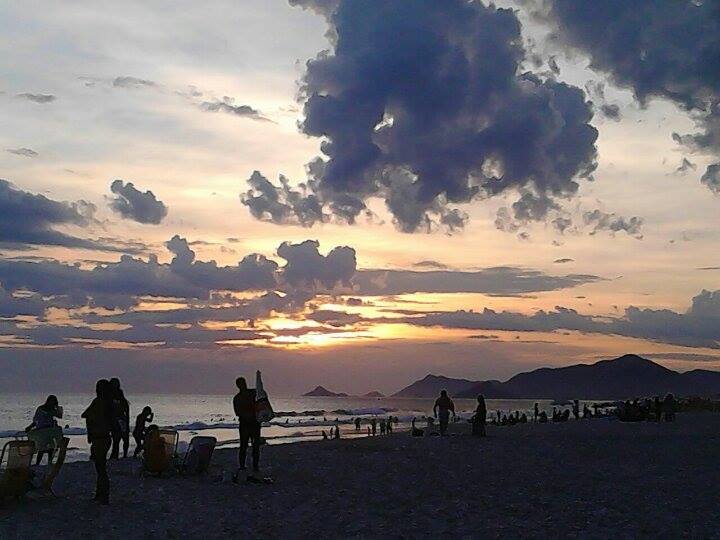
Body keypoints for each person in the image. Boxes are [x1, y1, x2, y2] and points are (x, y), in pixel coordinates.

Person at [82, 380, 114, 505]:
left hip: (100, 437)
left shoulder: (99, 402)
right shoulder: (109, 403)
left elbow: (85, 414)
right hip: (104, 437)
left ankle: (103, 495)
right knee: (101, 467)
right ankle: (101, 494)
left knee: (100, 468)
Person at [232, 376, 261, 482]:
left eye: (243, 383)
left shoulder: (253, 393)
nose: (243, 385)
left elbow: (261, 398)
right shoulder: (238, 398)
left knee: (255, 446)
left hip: (253, 423)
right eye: (241, 384)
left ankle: (255, 466)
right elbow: (238, 412)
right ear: (238, 386)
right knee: (244, 446)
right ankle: (243, 466)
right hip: (246, 424)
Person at [25, 395, 63, 465]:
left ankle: (49, 462)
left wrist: (57, 407)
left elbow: (60, 416)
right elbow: (36, 420)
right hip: (42, 430)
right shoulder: (41, 408)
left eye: (54, 401)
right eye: (51, 400)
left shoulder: (53, 410)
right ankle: (38, 463)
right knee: (42, 448)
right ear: (48, 400)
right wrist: (30, 427)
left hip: (50, 430)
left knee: (51, 447)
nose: (52, 402)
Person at [109, 378, 130, 459]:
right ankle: (117, 455)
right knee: (117, 440)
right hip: (117, 420)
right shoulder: (110, 397)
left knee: (120, 439)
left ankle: (123, 455)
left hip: (120, 420)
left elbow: (126, 410)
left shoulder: (118, 396)